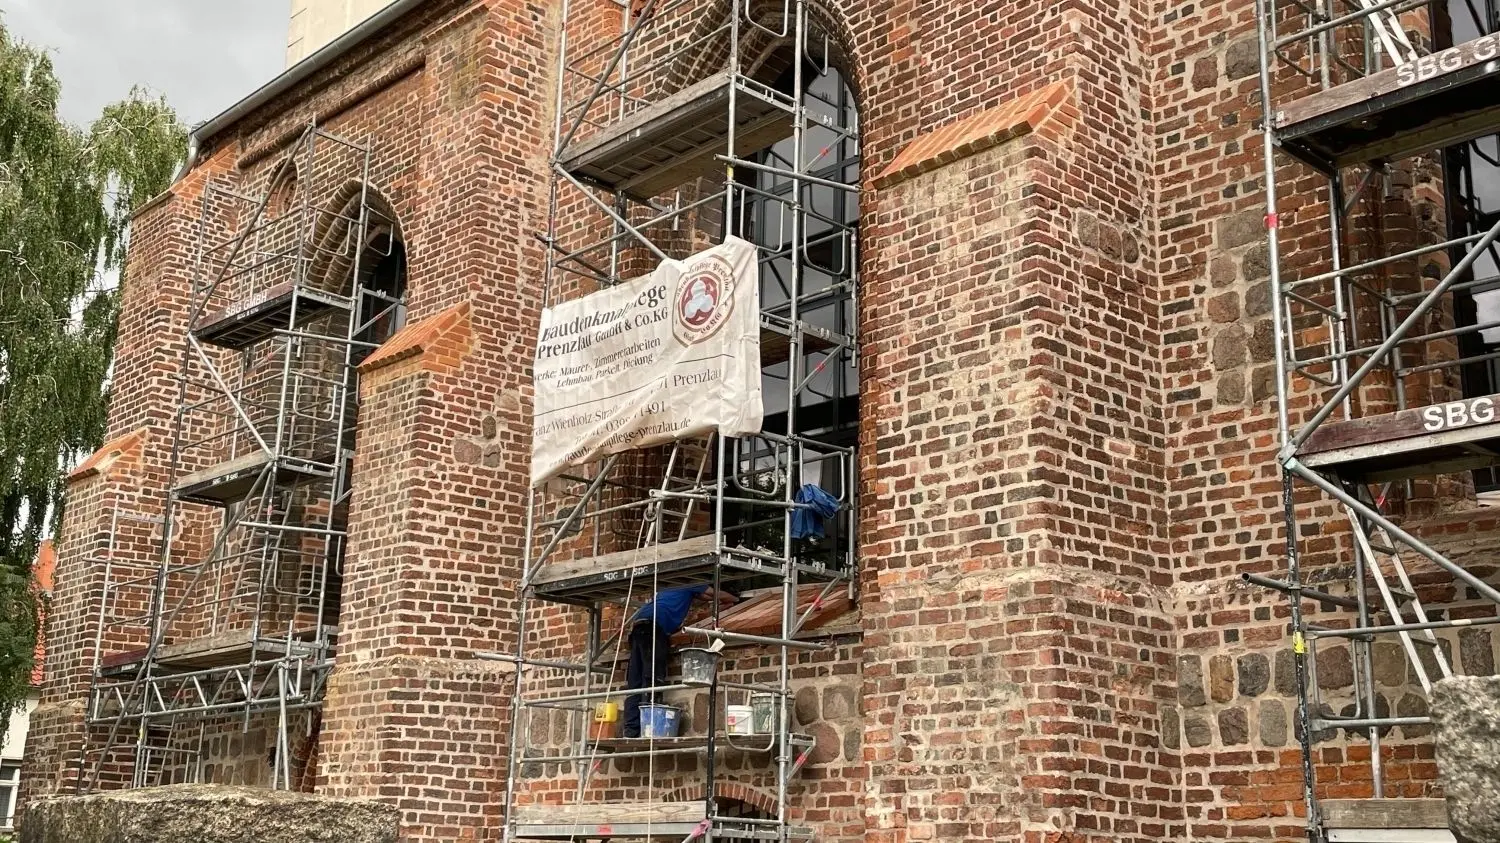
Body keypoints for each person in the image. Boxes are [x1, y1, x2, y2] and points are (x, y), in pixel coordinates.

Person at [620, 583, 737, 739]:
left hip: (639, 626)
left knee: (635, 680)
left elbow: (705, 597)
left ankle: (631, 730)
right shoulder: (689, 582)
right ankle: (650, 729)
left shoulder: (670, 589)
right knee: (653, 677)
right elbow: (717, 595)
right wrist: (736, 598)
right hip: (653, 629)